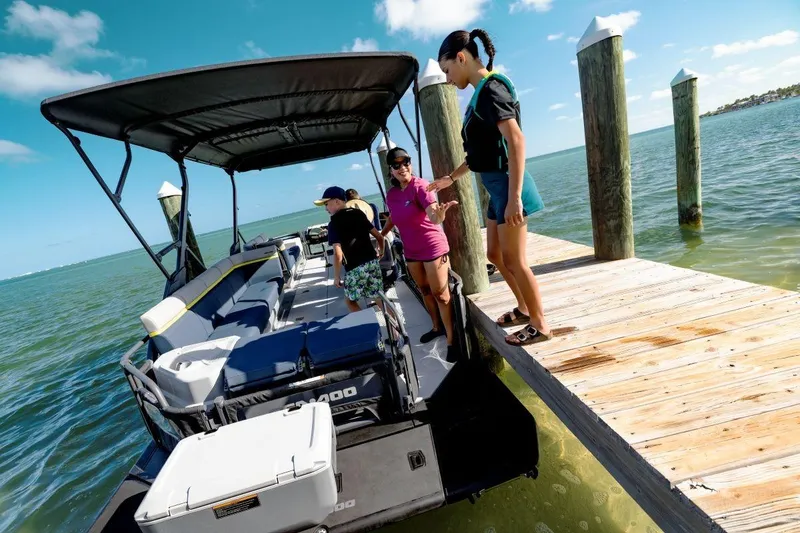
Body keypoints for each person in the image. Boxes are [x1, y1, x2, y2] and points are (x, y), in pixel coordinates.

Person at [429, 28, 551, 346]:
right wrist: (450, 178)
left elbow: (516, 140)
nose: (447, 78)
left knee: (515, 260)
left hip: (510, 188)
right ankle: (525, 308)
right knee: (495, 255)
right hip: (497, 191)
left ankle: (540, 325)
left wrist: (514, 199)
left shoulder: (492, 89)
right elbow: (480, 154)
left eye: (447, 70)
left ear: (461, 58)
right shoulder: (480, 95)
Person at [380, 147, 459, 360]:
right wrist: (381, 234)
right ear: (391, 169)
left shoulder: (421, 186)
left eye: (406, 162)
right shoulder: (392, 194)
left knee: (441, 295)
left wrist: (440, 215)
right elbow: (394, 217)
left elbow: (433, 214)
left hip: (432, 248)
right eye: (396, 165)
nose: (402, 167)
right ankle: (436, 327)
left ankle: (452, 340)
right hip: (412, 250)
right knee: (424, 289)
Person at [313, 186, 385, 312]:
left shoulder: (333, 223)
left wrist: (336, 276)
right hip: (372, 262)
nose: (326, 208)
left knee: (350, 301)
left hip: (355, 267)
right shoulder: (359, 213)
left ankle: (366, 326)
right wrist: (382, 251)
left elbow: (338, 253)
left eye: (326, 203)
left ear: (337, 201)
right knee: (377, 296)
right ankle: (397, 328)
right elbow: (379, 236)